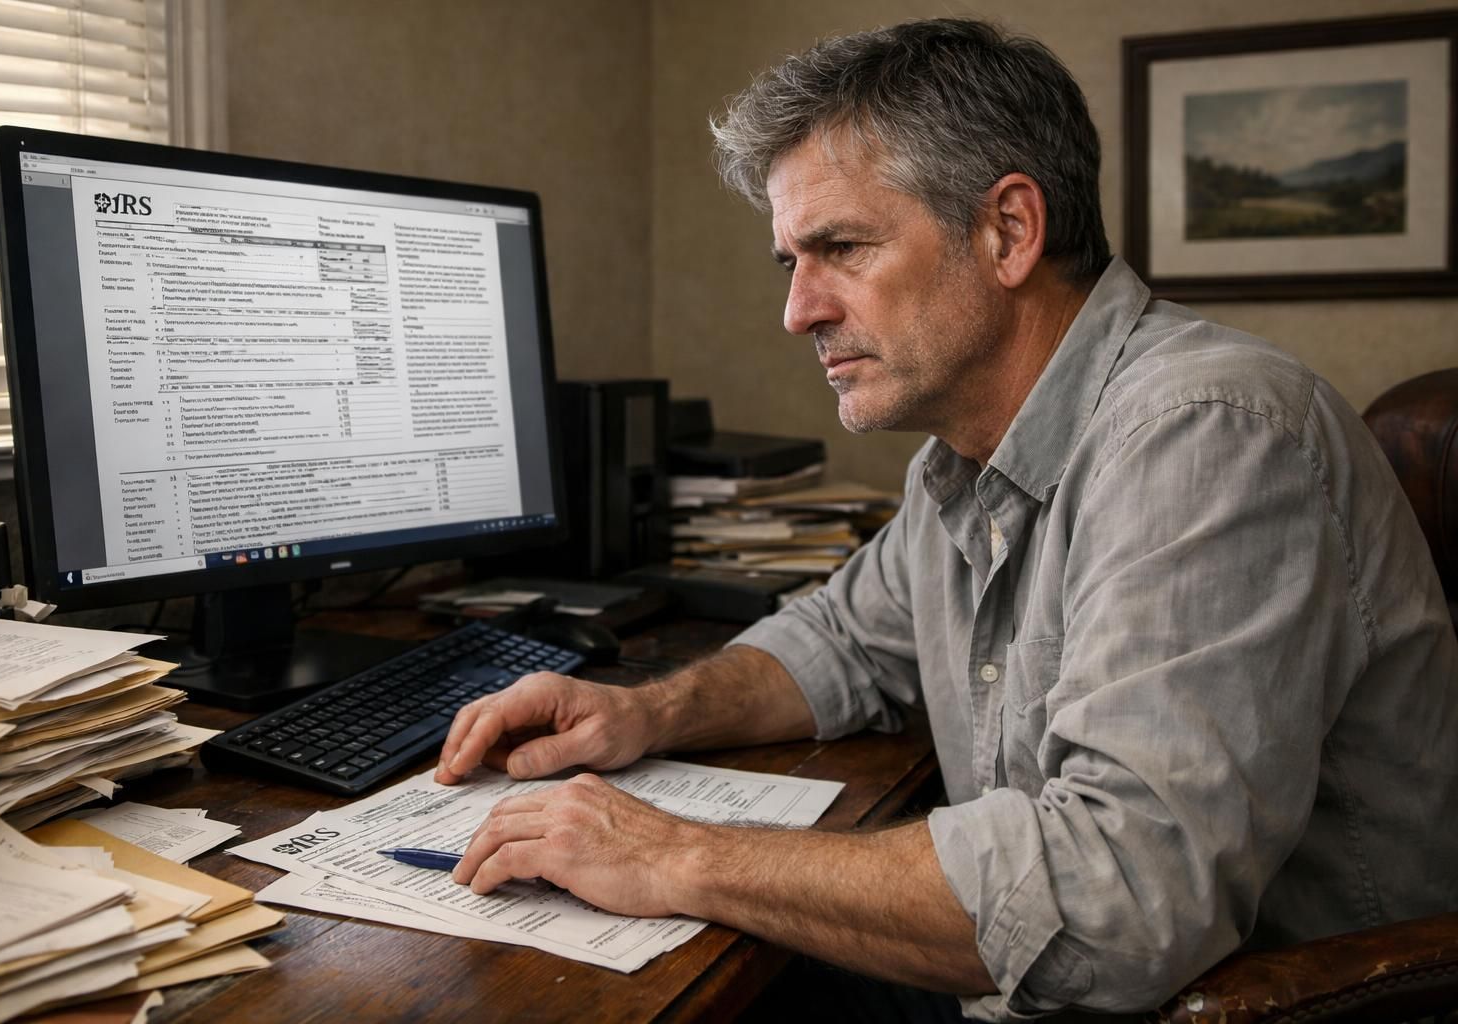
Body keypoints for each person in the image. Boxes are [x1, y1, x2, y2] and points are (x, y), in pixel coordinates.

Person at [435, 17, 1458, 1020]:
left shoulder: (1208, 435)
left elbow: (1122, 901)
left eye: (840, 246)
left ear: (1009, 230)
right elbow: (838, 641)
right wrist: (644, 714)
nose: (798, 310)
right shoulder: (965, 459)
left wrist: (674, 854)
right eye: (789, 262)